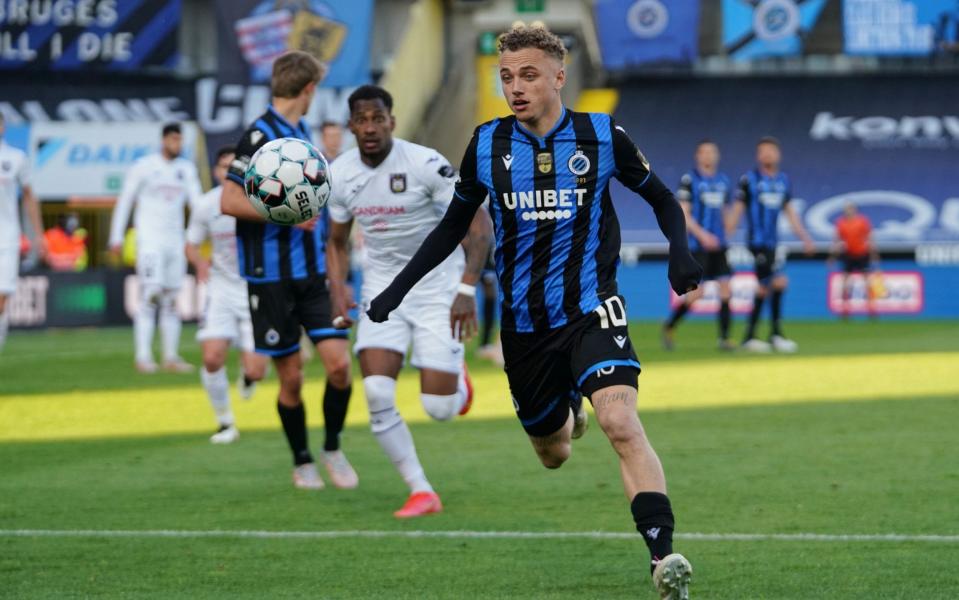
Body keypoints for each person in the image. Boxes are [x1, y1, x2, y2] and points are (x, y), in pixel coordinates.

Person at [366, 25, 699, 599]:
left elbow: (663, 198)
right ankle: (571, 408)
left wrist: (681, 253)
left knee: (622, 424)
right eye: (506, 77)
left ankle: (662, 557)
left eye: (527, 75)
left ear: (558, 77)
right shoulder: (487, 144)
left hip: (593, 308)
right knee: (554, 452)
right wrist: (397, 291)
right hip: (524, 327)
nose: (515, 88)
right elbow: (453, 225)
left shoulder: (602, 136)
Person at [326, 85, 492, 518]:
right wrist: (337, 287)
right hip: (382, 291)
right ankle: (421, 490)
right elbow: (336, 241)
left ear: (391, 122)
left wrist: (467, 288)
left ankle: (457, 378)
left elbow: (478, 225)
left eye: (377, 118)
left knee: (438, 409)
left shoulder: (424, 164)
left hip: (438, 286)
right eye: (361, 120)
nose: (369, 128)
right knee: (378, 390)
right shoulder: (339, 175)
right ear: (351, 126)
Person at [220, 51, 357, 491]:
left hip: (314, 275)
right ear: (309, 89)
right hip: (271, 277)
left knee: (339, 367)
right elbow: (229, 201)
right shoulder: (258, 135)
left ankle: (332, 447)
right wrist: (285, 214)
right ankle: (302, 460)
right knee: (292, 378)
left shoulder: (301, 134)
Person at [185, 146, 269, 444]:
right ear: (216, 172)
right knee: (211, 357)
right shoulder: (206, 205)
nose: (228, 172)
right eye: (223, 167)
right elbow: (191, 243)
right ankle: (225, 423)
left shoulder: (262, 201)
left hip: (255, 289)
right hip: (221, 288)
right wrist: (199, 265)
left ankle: (249, 376)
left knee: (257, 370)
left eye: (234, 167)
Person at [108, 123, 200, 373]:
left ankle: (171, 356)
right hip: (150, 241)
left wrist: (196, 237)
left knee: (171, 299)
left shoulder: (186, 169)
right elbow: (125, 200)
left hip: (176, 242)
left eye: (180, 140)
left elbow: (197, 204)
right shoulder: (144, 167)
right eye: (173, 139)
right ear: (163, 140)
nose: (177, 144)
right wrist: (115, 237)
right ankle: (143, 356)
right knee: (150, 294)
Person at [726, 137, 814, 353]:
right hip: (756, 243)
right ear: (758, 156)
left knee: (770, 286)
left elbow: (790, 213)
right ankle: (769, 335)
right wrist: (725, 235)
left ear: (778, 154)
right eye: (763, 151)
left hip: (773, 243)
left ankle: (758, 337)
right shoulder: (749, 180)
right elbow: (736, 210)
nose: (767, 155)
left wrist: (804, 237)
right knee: (776, 283)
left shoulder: (783, 180)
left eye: (770, 151)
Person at [662, 140, 734, 351]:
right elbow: (684, 212)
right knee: (696, 293)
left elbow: (725, 211)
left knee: (725, 289)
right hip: (698, 245)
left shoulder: (723, 181)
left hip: (719, 246)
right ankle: (669, 326)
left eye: (712, 152)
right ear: (697, 156)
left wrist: (725, 234)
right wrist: (703, 236)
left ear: (717, 155)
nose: (708, 155)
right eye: (704, 152)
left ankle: (725, 339)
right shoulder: (689, 180)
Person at [0, 113, 46, 352]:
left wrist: (38, 235)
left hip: (7, 237)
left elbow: (29, 196)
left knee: (2, 297)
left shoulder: (16, 158)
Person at [831, 202, 878, 319]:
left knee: (867, 282)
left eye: (850, 209)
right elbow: (837, 241)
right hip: (848, 255)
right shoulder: (841, 223)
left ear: (854, 210)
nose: (848, 211)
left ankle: (871, 309)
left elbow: (870, 238)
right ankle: (845, 309)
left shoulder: (862, 221)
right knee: (846, 282)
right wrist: (832, 256)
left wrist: (874, 254)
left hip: (862, 254)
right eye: (846, 209)